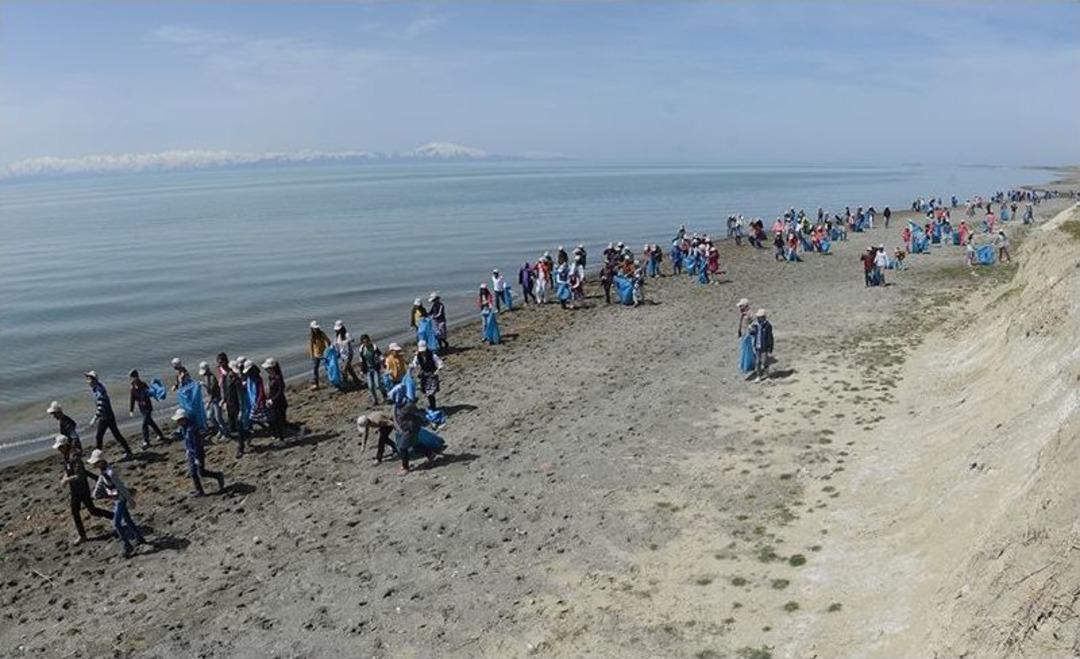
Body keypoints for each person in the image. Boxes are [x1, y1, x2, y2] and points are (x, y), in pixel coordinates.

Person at [86, 449, 146, 558]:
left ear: (102, 461)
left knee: (116, 523)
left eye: (96, 462)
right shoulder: (103, 472)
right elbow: (100, 482)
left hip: (120, 499)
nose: (94, 464)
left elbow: (121, 488)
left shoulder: (111, 473)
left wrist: (130, 500)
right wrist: (95, 494)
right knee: (127, 520)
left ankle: (127, 546)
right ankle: (139, 538)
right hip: (116, 499)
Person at [54, 434, 110, 545]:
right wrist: (65, 476)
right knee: (75, 511)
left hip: (82, 489)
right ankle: (82, 536)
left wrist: (67, 480)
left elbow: (79, 475)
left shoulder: (75, 457)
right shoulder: (66, 456)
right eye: (58, 448)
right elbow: (68, 470)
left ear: (66, 445)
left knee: (92, 511)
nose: (59, 450)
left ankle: (114, 516)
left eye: (61, 447)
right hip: (74, 490)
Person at [172, 409, 225, 497]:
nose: (178, 422)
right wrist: (187, 450)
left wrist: (197, 458)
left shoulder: (192, 429)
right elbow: (187, 441)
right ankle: (199, 491)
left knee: (201, 472)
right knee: (193, 473)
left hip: (197, 454)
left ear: (184, 419)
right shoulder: (184, 428)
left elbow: (197, 445)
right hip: (191, 453)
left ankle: (218, 476)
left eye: (179, 420)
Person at [84, 371, 134, 460]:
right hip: (107, 415)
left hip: (106, 417)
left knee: (100, 436)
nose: (88, 381)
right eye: (87, 379)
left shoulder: (99, 390)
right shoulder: (96, 388)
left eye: (89, 379)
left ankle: (97, 457)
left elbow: (102, 404)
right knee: (115, 435)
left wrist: (95, 418)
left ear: (94, 380)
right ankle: (128, 451)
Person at [392, 393, 436, 475]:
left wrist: (429, 422)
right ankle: (430, 454)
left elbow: (419, 414)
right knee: (415, 444)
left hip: (410, 429)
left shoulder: (408, 405)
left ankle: (405, 468)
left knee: (402, 447)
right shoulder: (398, 406)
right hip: (406, 428)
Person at [127, 369, 165, 449]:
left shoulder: (143, 384)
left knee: (144, 424)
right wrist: (131, 409)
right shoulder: (132, 386)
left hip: (147, 407)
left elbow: (150, 393)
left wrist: (154, 397)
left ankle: (146, 441)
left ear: (137, 376)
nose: (133, 379)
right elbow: (132, 398)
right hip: (142, 408)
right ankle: (161, 435)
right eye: (132, 377)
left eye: (134, 377)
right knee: (150, 422)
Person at [223, 360, 248, 457]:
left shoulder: (237, 381)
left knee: (239, 427)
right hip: (230, 405)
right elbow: (226, 391)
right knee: (232, 426)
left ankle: (241, 447)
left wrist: (241, 410)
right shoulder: (226, 378)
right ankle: (241, 440)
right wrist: (224, 401)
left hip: (237, 406)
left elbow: (241, 397)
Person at [410, 341, 444, 410]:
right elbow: (414, 363)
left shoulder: (432, 355)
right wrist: (412, 367)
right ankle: (432, 405)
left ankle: (433, 407)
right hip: (424, 376)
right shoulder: (418, 356)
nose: (423, 353)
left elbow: (440, 363)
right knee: (426, 392)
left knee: (431, 393)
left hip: (432, 375)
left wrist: (437, 370)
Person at [199, 361, 226, 440]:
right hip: (211, 400)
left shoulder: (212, 378)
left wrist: (208, 402)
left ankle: (225, 432)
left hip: (216, 400)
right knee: (210, 416)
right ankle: (219, 430)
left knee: (218, 417)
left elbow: (212, 392)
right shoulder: (206, 377)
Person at [263, 358, 288, 441]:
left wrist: (272, 400)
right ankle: (279, 437)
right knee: (275, 421)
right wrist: (268, 398)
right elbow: (271, 391)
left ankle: (297, 430)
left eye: (267, 368)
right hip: (274, 403)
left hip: (280, 403)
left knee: (281, 422)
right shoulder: (271, 377)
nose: (266, 370)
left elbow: (280, 391)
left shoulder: (278, 378)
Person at [748, 309, 774, 382]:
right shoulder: (756, 325)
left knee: (764, 361)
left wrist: (770, 347)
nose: (758, 318)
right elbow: (753, 333)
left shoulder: (767, 326)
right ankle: (759, 376)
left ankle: (767, 375)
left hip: (764, 347)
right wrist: (750, 329)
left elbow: (770, 337)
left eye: (760, 317)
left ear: (764, 317)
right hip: (757, 346)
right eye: (758, 317)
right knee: (757, 362)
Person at [334, 321, 361, 389]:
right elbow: (336, 344)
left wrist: (346, 341)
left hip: (348, 354)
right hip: (342, 355)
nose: (336, 331)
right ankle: (357, 380)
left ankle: (345, 384)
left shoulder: (346, 334)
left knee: (344, 370)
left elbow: (352, 340)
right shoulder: (337, 336)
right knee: (349, 369)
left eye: (338, 329)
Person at [308, 321, 331, 390]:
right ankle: (316, 384)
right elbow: (310, 346)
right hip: (316, 355)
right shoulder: (311, 336)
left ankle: (332, 379)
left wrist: (329, 350)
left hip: (324, 354)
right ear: (312, 328)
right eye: (314, 328)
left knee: (328, 367)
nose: (316, 329)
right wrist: (311, 355)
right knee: (315, 369)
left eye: (316, 328)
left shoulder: (321, 333)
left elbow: (328, 341)